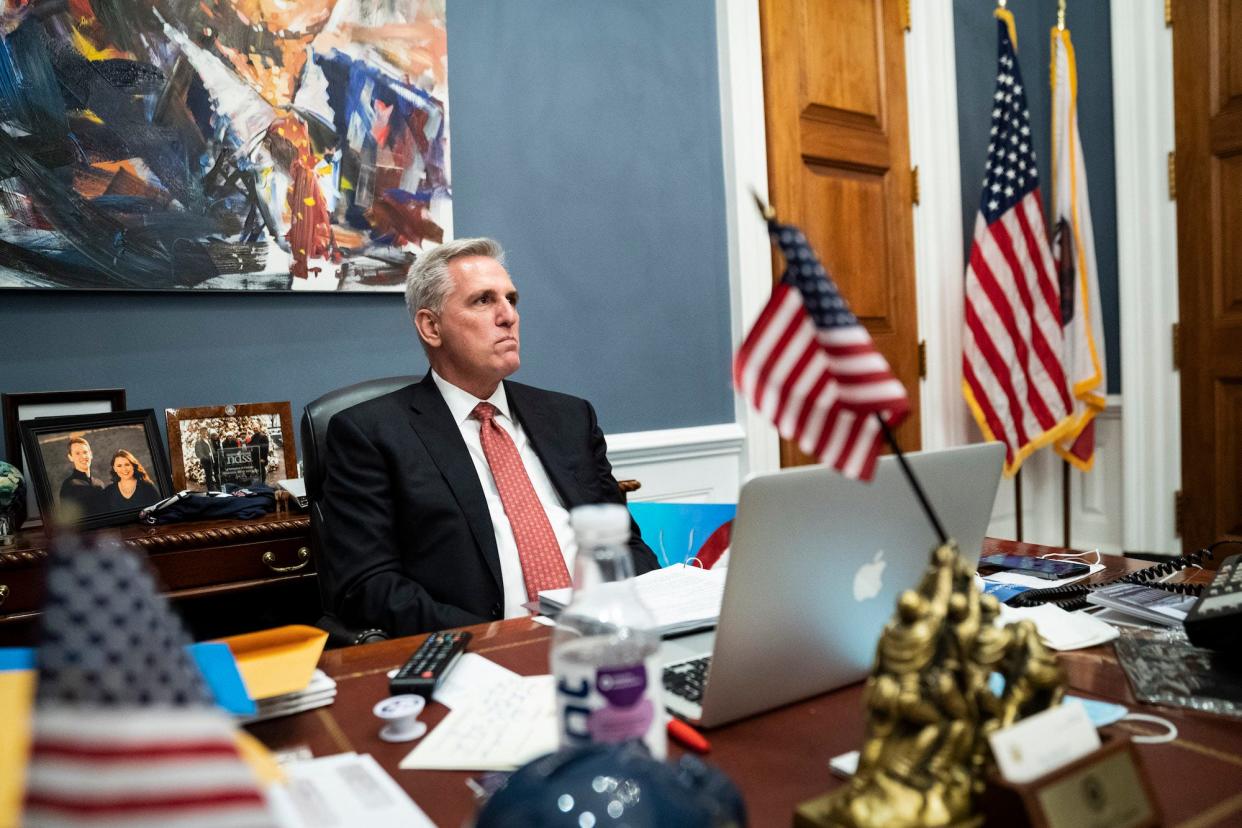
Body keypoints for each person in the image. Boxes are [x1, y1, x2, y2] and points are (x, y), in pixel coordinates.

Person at [321, 237, 658, 636]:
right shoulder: (371, 433)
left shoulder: (570, 417)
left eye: (511, 299)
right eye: (483, 301)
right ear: (431, 327)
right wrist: (503, 638)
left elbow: (624, 544)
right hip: (481, 650)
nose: (508, 316)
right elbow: (369, 587)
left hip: (602, 636)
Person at [58, 436, 105, 518]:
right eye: (77, 453)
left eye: (85, 452)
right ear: (70, 457)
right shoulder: (69, 486)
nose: (83, 456)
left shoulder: (100, 484)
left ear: (91, 454)